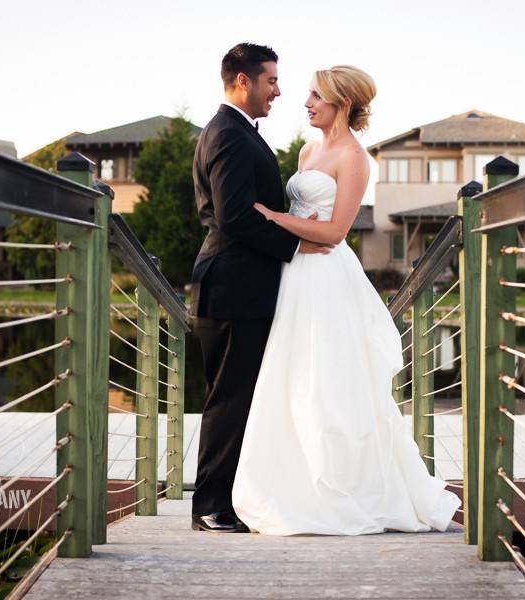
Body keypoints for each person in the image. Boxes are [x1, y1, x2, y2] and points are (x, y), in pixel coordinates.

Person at [232, 65, 462, 535]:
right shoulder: (307, 149)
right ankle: (291, 481)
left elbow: (336, 231)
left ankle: (343, 488)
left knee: (326, 381)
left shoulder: (355, 158)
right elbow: (304, 214)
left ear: (342, 103)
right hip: (294, 272)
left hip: (325, 277)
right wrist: (284, 224)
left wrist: (275, 218)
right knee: (290, 375)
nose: (307, 102)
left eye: (316, 96)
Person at [189, 43, 330, 533]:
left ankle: (227, 500)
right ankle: (210, 507)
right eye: (271, 80)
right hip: (232, 286)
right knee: (229, 399)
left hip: (239, 285)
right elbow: (232, 214)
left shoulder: (237, 131)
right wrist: (295, 244)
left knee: (238, 397)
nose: (278, 90)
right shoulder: (227, 133)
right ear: (243, 80)